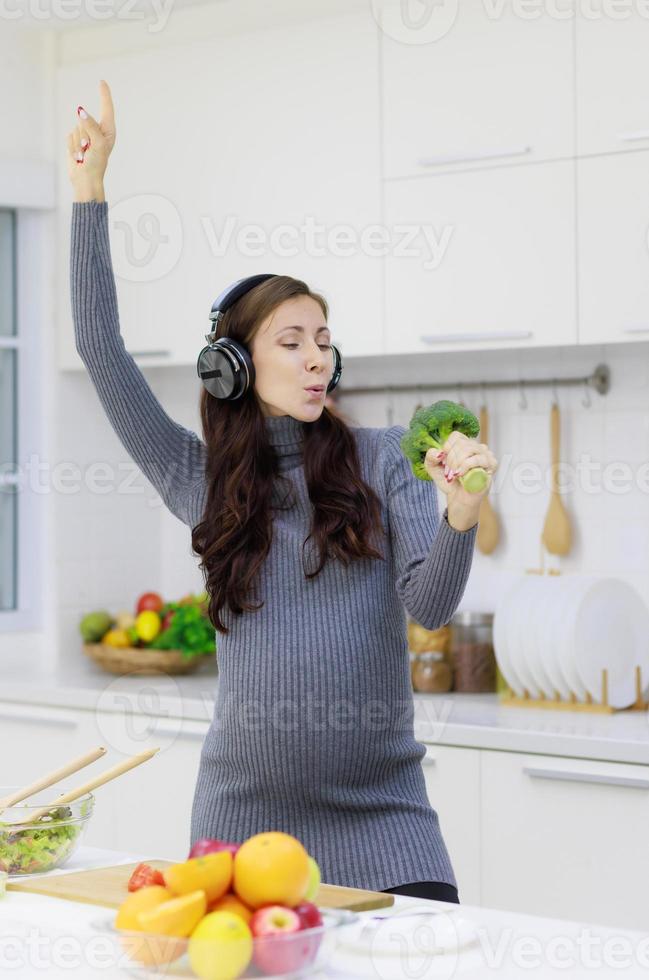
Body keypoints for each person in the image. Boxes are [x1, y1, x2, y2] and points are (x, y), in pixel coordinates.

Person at [67, 81, 498, 904]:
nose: (315, 360)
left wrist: (462, 513)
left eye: (324, 343)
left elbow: (432, 606)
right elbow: (99, 348)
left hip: (385, 821)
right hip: (241, 829)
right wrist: (91, 189)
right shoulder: (197, 478)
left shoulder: (383, 456)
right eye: (291, 341)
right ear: (232, 366)